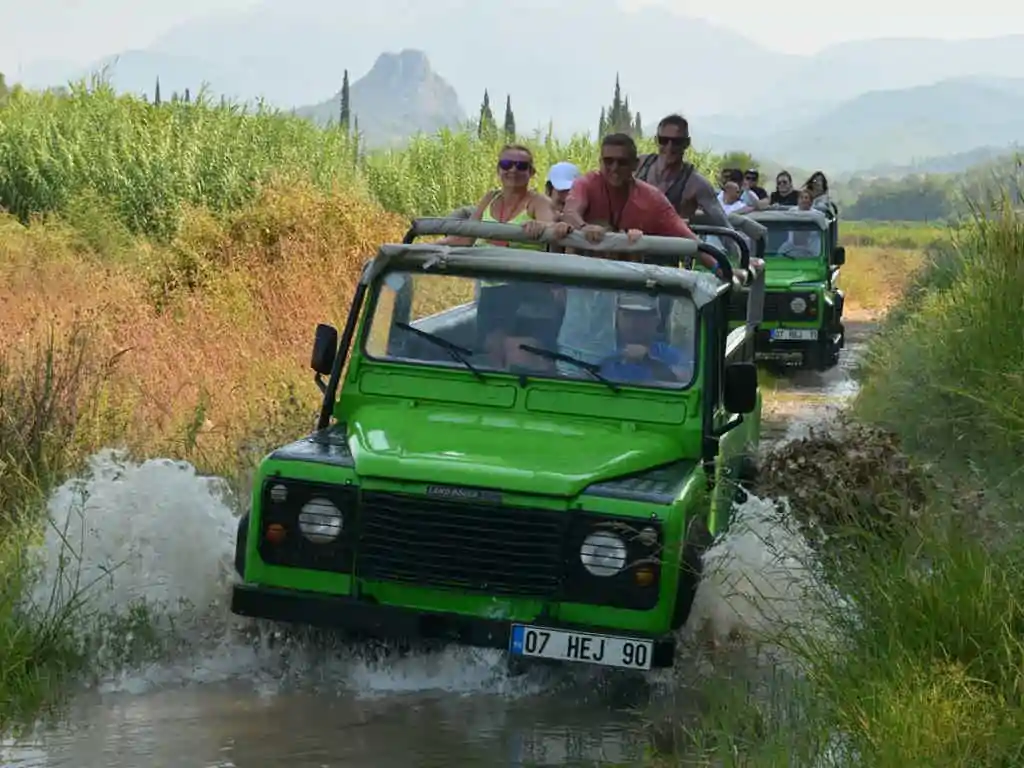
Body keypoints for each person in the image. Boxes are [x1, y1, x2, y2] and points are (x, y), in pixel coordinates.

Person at [633, 114, 737, 235]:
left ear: (686, 143)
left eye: (677, 142)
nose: (669, 147)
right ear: (656, 140)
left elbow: (724, 226)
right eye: (664, 141)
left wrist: (740, 252)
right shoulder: (638, 165)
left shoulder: (696, 184)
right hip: (631, 245)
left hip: (670, 249)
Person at [597, 293, 693, 385]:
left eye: (640, 316)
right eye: (627, 315)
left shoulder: (671, 355)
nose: (633, 323)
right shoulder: (605, 355)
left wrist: (648, 361)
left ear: (656, 320)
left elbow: (685, 380)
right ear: (617, 319)